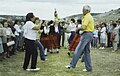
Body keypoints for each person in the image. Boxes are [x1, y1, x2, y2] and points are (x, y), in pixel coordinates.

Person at [66, 5, 94, 72]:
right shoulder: (89, 16)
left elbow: (84, 27)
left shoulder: (87, 16)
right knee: (87, 52)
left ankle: (72, 65)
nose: (82, 11)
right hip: (89, 34)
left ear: (87, 10)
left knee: (78, 50)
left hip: (86, 34)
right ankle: (89, 68)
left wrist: (77, 28)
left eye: (83, 9)